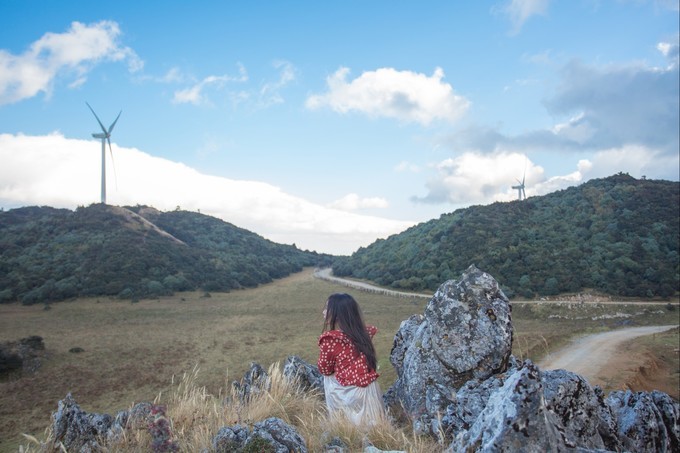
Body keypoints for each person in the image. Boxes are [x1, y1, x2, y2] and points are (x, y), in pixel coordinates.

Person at [317, 293, 386, 426]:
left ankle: (339, 420)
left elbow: (324, 369)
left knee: (328, 376)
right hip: (371, 390)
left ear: (337, 314)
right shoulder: (362, 334)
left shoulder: (331, 340)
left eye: (327, 308)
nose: (323, 312)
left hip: (350, 394)